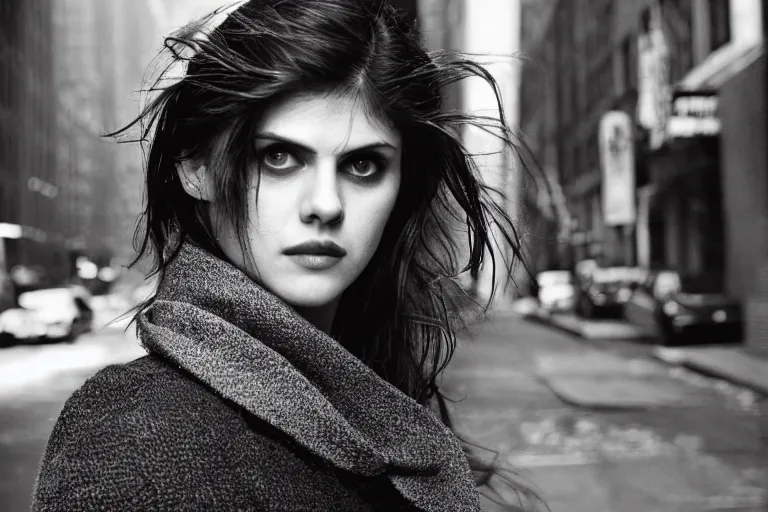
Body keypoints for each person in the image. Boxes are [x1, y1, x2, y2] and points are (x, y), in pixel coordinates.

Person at [31, 1, 545, 510]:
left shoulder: (376, 397)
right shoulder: (130, 437)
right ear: (197, 169)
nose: (325, 204)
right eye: (278, 157)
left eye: (363, 165)